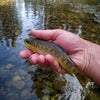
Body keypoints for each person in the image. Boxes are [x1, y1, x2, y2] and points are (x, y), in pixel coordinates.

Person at [20, 29, 100, 85]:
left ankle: (81, 76)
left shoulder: (36, 45)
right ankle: (81, 76)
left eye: (29, 43)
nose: (26, 43)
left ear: (34, 45)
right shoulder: (36, 44)